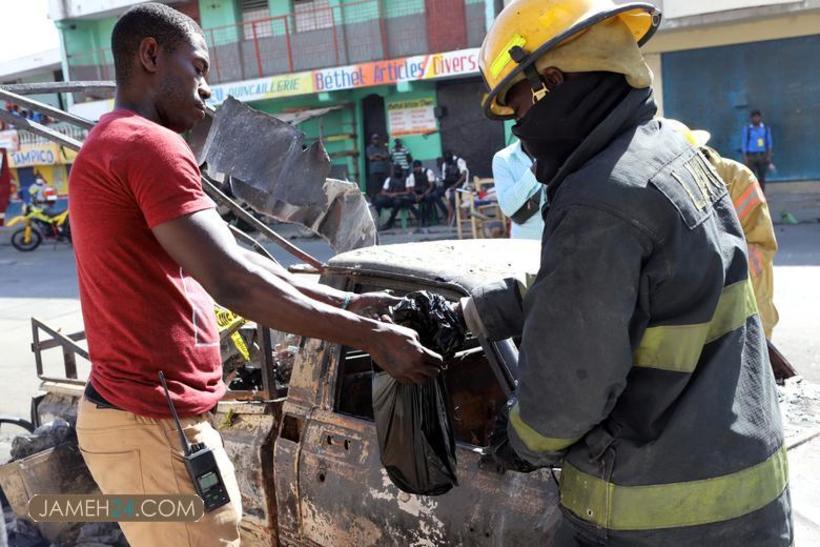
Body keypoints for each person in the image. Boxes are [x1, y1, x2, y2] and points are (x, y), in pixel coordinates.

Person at [68, 5, 442, 547]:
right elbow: (234, 282)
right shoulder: (148, 145)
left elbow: (239, 265)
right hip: (151, 425)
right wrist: (371, 337)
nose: (206, 89)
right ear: (151, 55)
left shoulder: (116, 140)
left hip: (144, 422)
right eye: (198, 68)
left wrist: (346, 306)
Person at [458, 1, 791, 545]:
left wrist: (517, 442)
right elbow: (619, 293)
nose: (519, 131)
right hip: (752, 494)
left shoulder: (599, 201)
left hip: (657, 518)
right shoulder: (673, 156)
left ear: (554, 83)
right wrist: (477, 313)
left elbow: (565, 397)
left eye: (516, 109)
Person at [492, 139, 544, 239]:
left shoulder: (558, 153)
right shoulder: (503, 158)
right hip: (525, 241)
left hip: (559, 239)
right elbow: (507, 207)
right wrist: (532, 174)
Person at [373, 163, 418, 230]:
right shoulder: (389, 179)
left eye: (399, 170)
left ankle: (389, 223)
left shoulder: (406, 179)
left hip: (400, 199)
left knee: (398, 202)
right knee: (379, 201)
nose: (397, 172)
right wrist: (389, 194)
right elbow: (383, 191)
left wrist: (396, 194)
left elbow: (408, 192)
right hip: (390, 198)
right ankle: (375, 222)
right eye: (396, 170)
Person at [742, 110, 773, 192]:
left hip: (762, 156)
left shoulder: (765, 129)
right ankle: (753, 194)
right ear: (751, 118)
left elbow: (769, 144)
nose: (756, 119)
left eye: (757, 117)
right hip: (751, 156)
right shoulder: (748, 129)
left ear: (760, 118)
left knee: (762, 176)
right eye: (754, 117)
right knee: (751, 176)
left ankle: (762, 194)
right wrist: (745, 157)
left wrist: (768, 157)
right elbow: (744, 144)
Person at [406, 159, 445, 226]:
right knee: (406, 201)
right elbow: (412, 188)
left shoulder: (428, 172)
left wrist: (423, 195)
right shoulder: (412, 175)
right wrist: (416, 196)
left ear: (421, 166)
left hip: (428, 192)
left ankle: (427, 219)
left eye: (418, 167)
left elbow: (431, 186)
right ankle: (419, 217)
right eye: (415, 168)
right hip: (418, 193)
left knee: (428, 198)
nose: (416, 169)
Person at [440, 150, 468, 224]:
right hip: (449, 185)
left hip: (461, 185)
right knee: (435, 194)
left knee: (452, 196)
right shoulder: (444, 164)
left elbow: (463, 176)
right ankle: (448, 215)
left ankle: (453, 217)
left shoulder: (459, 161)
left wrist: (455, 185)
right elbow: (444, 177)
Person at [366, 133, 390, 197]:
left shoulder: (381, 148)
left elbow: (386, 156)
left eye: (377, 139)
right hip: (374, 171)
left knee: (383, 187)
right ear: (372, 140)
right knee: (374, 187)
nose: (376, 140)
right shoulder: (369, 148)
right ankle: (374, 201)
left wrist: (377, 156)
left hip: (382, 170)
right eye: (374, 139)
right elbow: (370, 158)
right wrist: (380, 156)